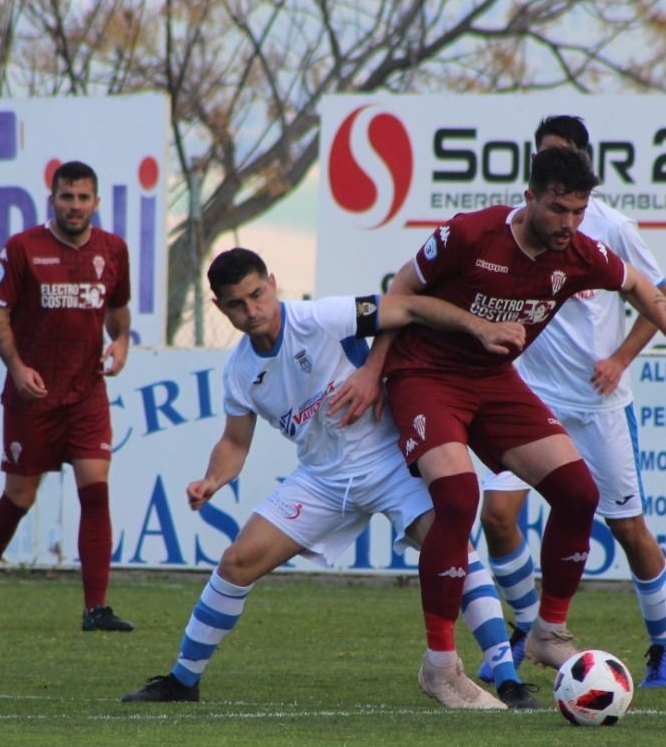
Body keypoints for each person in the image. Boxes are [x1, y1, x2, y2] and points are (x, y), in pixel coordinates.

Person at [332, 147, 666, 691]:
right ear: (530, 197)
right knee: (460, 499)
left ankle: (547, 630)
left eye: (578, 211)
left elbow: (641, 286)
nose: (568, 224)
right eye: (558, 209)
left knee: (578, 493)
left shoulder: (582, 252)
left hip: (493, 382)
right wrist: (375, 368)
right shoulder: (471, 235)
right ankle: (440, 664)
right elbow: (401, 291)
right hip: (425, 375)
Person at [121, 247, 542, 710]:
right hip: (323, 478)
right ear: (220, 307)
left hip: (389, 462)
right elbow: (235, 444)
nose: (252, 310)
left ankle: (507, 678)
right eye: (237, 304)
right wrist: (212, 479)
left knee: (453, 548)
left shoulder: (322, 317)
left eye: (257, 294)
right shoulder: (241, 372)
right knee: (236, 562)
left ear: (273, 283)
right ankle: (183, 681)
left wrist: (395, 360)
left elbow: (410, 308)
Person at [477, 116, 666, 690]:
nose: (560, 181)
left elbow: (660, 296)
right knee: (497, 517)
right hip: (531, 396)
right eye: (548, 163)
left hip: (598, 406)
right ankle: (529, 627)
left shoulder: (610, 226)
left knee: (628, 530)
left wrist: (620, 358)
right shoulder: (516, 226)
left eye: (568, 161)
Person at [0, 161, 133, 634]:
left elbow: (118, 312)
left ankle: (95, 609)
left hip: (85, 394)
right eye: (66, 197)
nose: (74, 206)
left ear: (96, 202)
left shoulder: (114, 250)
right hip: (32, 396)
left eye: (83, 198)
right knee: (20, 496)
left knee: (95, 490)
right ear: (52, 199)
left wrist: (120, 343)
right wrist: (16, 368)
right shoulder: (23, 249)